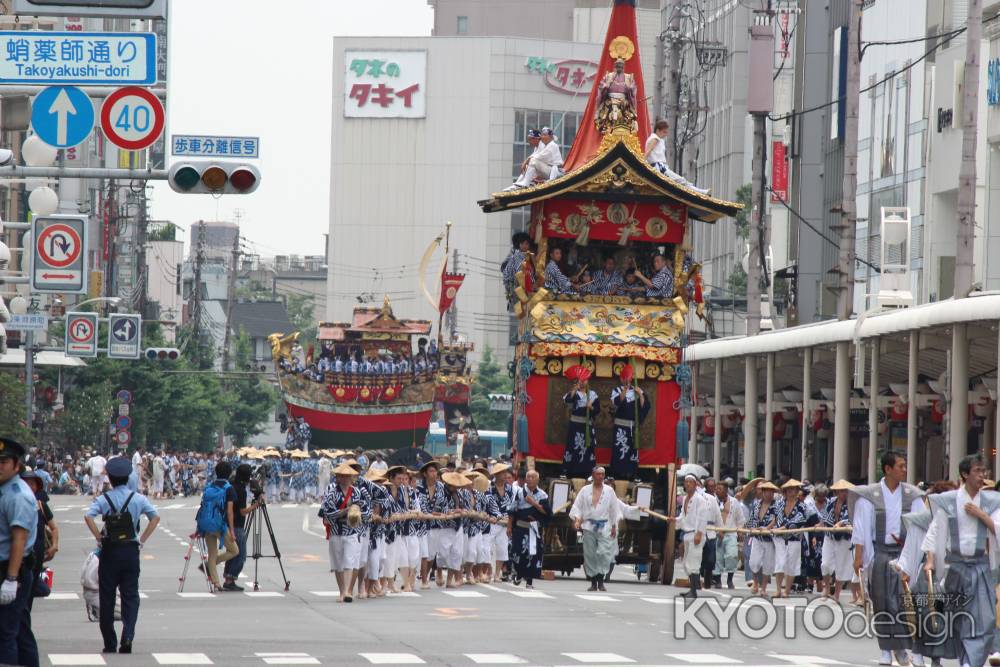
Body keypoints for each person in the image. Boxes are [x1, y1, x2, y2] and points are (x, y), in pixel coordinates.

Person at [920, 455, 1000, 667]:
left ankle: (971, 662)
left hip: (980, 566)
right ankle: (966, 661)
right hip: (955, 567)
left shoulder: (992, 502)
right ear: (965, 474)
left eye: (984, 471)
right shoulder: (948, 500)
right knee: (959, 619)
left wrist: (982, 515)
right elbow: (934, 531)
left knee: (986, 619)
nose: (982, 475)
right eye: (977, 471)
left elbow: (998, 529)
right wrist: (930, 559)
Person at [850, 450, 925, 667]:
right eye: (900, 466)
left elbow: (920, 526)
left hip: (905, 554)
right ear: (888, 469)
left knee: (903, 603)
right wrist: (859, 557)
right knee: (882, 603)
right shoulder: (869, 496)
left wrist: (918, 556)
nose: (904, 470)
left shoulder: (912, 495)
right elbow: (861, 529)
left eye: (905, 466)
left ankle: (903, 648)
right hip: (880, 554)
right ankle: (886, 650)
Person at [83, 456, 159, 655]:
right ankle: (128, 636)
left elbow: (88, 516)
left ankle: (109, 642)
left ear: (111, 478)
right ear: (127, 478)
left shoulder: (103, 499)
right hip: (130, 551)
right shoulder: (138, 499)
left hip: (109, 551)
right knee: (130, 596)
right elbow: (155, 518)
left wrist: (99, 537)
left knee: (107, 597)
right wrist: (141, 540)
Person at [0, 438, 38, 667]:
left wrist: (11, 579)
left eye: (4, 462)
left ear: (17, 465)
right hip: (9, 568)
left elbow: (19, 539)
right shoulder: (5, 489)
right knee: (20, 631)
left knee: (5, 635)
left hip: (10, 570)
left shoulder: (17, 494)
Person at [321, 463, 371, 602]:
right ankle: (342, 591)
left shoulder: (357, 492)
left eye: (347, 476)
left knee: (351, 560)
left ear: (351, 477)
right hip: (336, 530)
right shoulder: (331, 491)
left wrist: (358, 514)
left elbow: (367, 511)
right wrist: (342, 512)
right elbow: (326, 512)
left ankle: (349, 591)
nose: (344, 479)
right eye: (341, 476)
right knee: (338, 563)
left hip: (353, 530)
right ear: (337, 477)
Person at [570, 466, 622, 592]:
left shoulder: (609, 491)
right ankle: (593, 582)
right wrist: (577, 520)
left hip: (604, 526)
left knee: (604, 553)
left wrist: (614, 525)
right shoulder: (585, 490)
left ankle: (601, 580)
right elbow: (578, 506)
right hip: (589, 525)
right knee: (590, 554)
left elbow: (614, 509)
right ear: (593, 475)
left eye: (602, 474)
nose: (600, 477)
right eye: (598, 474)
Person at [196, 461, 239, 591]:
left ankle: (216, 582)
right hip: (219, 525)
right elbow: (230, 512)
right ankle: (208, 566)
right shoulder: (229, 488)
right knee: (234, 550)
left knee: (212, 553)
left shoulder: (210, 486)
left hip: (206, 523)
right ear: (230, 473)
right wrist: (232, 531)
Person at [222, 464, 262, 592]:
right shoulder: (241, 490)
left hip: (227, 524)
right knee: (240, 555)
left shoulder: (231, 485)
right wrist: (255, 505)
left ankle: (228, 578)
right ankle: (230, 579)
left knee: (233, 552)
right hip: (237, 525)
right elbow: (243, 511)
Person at [644, 118, 710, 194]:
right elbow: (648, 151)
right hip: (659, 168)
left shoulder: (656, 139)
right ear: (658, 130)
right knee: (680, 180)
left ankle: (699, 191)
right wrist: (643, 162)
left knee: (679, 181)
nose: (666, 134)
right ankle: (700, 192)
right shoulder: (655, 139)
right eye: (664, 132)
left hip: (660, 167)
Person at [508, 470, 550, 589]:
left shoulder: (542, 495)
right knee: (518, 552)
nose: (530, 479)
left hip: (534, 527)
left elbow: (546, 512)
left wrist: (534, 503)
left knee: (533, 554)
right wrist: (509, 526)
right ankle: (519, 574)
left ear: (537, 480)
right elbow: (512, 510)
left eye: (533, 477)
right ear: (526, 479)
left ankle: (530, 581)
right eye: (528, 477)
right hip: (520, 527)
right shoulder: (520, 492)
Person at [738, 478, 779, 597]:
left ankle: (764, 587)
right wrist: (745, 528)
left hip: (769, 538)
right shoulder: (757, 504)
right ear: (763, 492)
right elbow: (752, 519)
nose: (768, 494)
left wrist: (767, 527)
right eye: (766, 491)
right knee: (754, 562)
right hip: (756, 536)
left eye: (771, 491)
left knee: (767, 564)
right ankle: (755, 583)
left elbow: (777, 519)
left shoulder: (777, 505)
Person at [609, 364, 650, 480]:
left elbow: (644, 406)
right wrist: (625, 390)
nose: (627, 380)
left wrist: (640, 394)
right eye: (624, 378)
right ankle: (616, 474)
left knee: (632, 450)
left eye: (629, 378)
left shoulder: (637, 390)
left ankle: (632, 474)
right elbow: (617, 402)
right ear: (621, 379)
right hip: (620, 427)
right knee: (619, 449)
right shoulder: (616, 390)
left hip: (632, 427)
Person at [773, 479, 810, 598]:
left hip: (794, 538)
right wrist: (774, 528)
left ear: (797, 490)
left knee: (792, 565)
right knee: (780, 563)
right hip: (779, 538)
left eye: (793, 489)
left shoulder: (802, 506)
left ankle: (787, 591)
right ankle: (778, 589)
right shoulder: (779, 503)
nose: (791, 491)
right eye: (788, 489)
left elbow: (800, 520)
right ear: (785, 491)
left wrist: (784, 527)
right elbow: (776, 519)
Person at [562, 365, 598, 478]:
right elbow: (568, 401)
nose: (583, 382)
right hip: (575, 426)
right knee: (573, 447)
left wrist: (591, 407)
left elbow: (598, 410)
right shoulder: (574, 393)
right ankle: (570, 471)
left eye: (584, 380)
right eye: (580, 380)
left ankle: (587, 472)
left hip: (587, 426)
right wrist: (574, 389)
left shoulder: (592, 395)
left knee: (587, 448)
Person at [677, 474, 709, 598]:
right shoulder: (685, 499)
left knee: (694, 564)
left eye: (691, 482)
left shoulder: (699, 499)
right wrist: (674, 520)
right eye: (686, 482)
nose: (688, 484)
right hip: (687, 534)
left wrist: (699, 533)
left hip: (696, 534)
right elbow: (682, 517)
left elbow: (702, 517)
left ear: (696, 485)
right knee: (686, 564)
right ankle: (692, 589)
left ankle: (694, 591)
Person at [821, 479, 854, 600]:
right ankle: (827, 587)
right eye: (841, 491)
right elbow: (824, 518)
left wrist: (840, 524)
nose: (844, 493)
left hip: (844, 537)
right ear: (837, 492)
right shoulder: (830, 502)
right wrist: (819, 525)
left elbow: (849, 519)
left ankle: (837, 594)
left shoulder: (851, 504)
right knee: (825, 564)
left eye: (845, 491)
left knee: (841, 566)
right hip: (829, 536)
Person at [712, 478, 745, 589]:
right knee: (717, 558)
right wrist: (717, 531)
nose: (717, 491)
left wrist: (740, 530)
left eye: (720, 489)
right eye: (716, 489)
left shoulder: (734, 502)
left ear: (726, 491)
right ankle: (718, 581)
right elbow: (710, 518)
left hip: (730, 533)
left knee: (732, 555)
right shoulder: (712, 501)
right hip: (717, 533)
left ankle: (730, 580)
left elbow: (740, 519)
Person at [487, 463, 515, 582]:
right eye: (502, 473)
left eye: (506, 473)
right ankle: (488, 572)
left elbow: (512, 506)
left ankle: (497, 574)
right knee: (488, 548)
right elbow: (488, 504)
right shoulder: (489, 488)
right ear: (496, 475)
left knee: (502, 549)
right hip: (491, 521)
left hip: (505, 523)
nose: (505, 475)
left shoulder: (509, 489)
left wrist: (509, 522)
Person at [595, 57, 637, 134]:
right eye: (617, 66)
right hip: (610, 101)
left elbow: (633, 90)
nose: (619, 68)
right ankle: (608, 129)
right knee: (608, 111)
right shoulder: (608, 76)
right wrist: (606, 86)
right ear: (615, 66)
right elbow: (601, 87)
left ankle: (623, 128)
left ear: (623, 67)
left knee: (624, 112)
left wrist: (630, 88)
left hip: (623, 102)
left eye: (621, 66)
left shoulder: (628, 77)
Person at [699, 478, 723, 589]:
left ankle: (708, 578)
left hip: (711, 531)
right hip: (699, 530)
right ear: (706, 487)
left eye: (714, 486)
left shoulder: (713, 499)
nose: (712, 489)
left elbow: (718, 515)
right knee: (698, 557)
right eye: (710, 486)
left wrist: (720, 530)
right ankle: (696, 578)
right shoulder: (698, 497)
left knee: (711, 559)